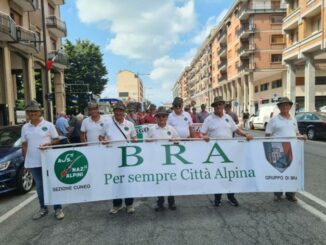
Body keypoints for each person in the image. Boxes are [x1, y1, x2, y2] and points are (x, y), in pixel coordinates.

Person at [200, 96, 253, 207]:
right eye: (216, 105)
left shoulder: (228, 117)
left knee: (230, 175)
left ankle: (231, 196)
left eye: (220, 104)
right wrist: (204, 136)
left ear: (224, 105)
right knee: (218, 175)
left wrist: (245, 134)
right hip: (216, 154)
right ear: (213, 107)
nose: (218, 106)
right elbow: (202, 133)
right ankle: (217, 199)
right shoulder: (209, 119)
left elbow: (236, 130)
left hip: (229, 153)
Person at [21, 100, 64, 220]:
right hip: (33, 162)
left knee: (52, 184)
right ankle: (43, 208)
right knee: (39, 186)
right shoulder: (25, 127)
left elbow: (57, 140)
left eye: (34, 111)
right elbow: (24, 145)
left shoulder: (49, 125)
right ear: (27, 114)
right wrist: (26, 161)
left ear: (39, 112)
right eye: (30, 112)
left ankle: (58, 208)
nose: (32, 113)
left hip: (48, 161)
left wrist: (49, 143)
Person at [99, 102, 137, 214]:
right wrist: (103, 141)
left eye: (121, 110)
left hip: (127, 158)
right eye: (116, 110)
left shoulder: (130, 124)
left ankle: (129, 204)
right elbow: (101, 136)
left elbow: (134, 138)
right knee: (115, 181)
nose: (119, 112)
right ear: (114, 111)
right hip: (112, 158)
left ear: (124, 112)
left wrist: (136, 143)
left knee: (128, 181)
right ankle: (117, 205)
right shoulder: (107, 124)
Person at [265, 97, 305, 202]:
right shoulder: (274, 120)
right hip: (278, 150)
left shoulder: (293, 119)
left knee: (292, 172)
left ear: (290, 106)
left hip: (292, 150)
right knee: (279, 172)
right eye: (282, 105)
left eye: (287, 105)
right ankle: (277, 194)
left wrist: (302, 136)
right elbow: (267, 135)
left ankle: (290, 194)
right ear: (279, 107)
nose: (285, 107)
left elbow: (296, 133)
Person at [147, 107, 179, 211]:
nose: (161, 118)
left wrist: (175, 141)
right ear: (156, 117)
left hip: (169, 161)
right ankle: (160, 203)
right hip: (157, 160)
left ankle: (171, 202)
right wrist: (150, 142)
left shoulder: (171, 129)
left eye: (164, 116)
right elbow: (146, 143)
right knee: (159, 181)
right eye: (159, 116)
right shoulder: (152, 129)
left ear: (166, 117)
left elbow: (178, 141)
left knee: (170, 181)